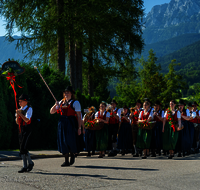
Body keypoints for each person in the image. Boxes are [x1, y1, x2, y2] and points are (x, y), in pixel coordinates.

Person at [50, 86, 82, 167]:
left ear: (71, 93)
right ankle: (66, 160)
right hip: (62, 123)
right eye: (65, 92)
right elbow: (51, 112)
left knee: (70, 140)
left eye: (68, 92)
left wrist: (79, 128)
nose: (66, 94)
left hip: (71, 123)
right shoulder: (61, 102)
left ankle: (72, 155)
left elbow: (79, 116)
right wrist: (55, 105)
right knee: (63, 141)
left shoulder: (75, 103)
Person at [16, 94, 34, 173]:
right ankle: (25, 166)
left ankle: (30, 163)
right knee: (21, 148)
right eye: (19, 101)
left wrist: (20, 114)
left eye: (21, 101)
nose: (19, 103)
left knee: (23, 147)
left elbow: (27, 119)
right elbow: (17, 122)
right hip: (21, 129)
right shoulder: (19, 110)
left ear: (25, 102)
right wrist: (17, 116)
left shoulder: (29, 109)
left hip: (27, 128)